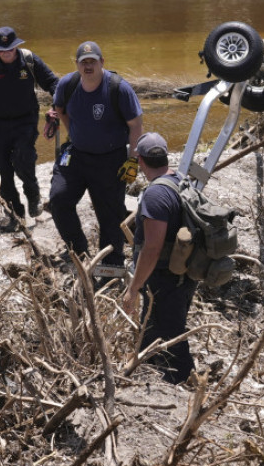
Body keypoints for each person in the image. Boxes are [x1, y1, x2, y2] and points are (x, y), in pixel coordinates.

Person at [48, 41, 143, 267]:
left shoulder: (119, 88)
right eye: (84, 62)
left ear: (102, 62)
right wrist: (74, 134)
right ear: (77, 64)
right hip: (76, 156)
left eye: (92, 61)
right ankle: (78, 251)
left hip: (111, 159)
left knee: (110, 214)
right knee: (59, 200)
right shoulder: (67, 84)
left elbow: (136, 125)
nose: (88, 66)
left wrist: (133, 159)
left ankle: (111, 264)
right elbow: (60, 110)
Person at [123, 132, 198, 384]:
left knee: (171, 334)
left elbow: (152, 248)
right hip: (182, 273)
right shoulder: (180, 180)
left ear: (140, 160)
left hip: (165, 278)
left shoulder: (155, 195)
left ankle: (183, 383)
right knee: (155, 324)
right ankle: (148, 368)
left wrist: (133, 288)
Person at [0, 26, 59, 224]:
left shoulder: (30, 60)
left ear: (16, 46)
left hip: (25, 120)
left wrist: (57, 106)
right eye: (1, 50)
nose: (6, 53)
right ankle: (15, 214)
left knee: (23, 158)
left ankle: (33, 194)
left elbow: (53, 83)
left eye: (10, 49)